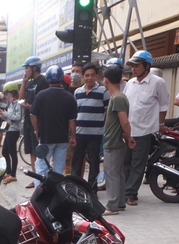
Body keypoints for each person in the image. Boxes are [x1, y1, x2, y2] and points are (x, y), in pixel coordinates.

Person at [123, 50, 170, 206]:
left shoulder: (157, 82)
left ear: (147, 66)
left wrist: (161, 124)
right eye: (132, 66)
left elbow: (163, 105)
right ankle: (123, 190)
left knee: (138, 163)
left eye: (136, 66)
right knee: (125, 162)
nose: (133, 69)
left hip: (144, 130)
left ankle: (131, 194)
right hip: (127, 130)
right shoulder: (130, 83)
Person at [30, 65, 78, 186]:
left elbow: (33, 115)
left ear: (48, 79)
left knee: (41, 167)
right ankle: (56, 193)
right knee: (58, 168)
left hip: (46, 138)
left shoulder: (41, 95)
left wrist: (37, 131)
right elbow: (72, 121)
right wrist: (73, 137)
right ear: (62, 79)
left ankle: (39, 193)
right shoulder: (69, 97)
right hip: (62, 139)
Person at [101, 66, 136, 215]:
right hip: (116, 141)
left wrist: (128, 137)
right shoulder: (119, 97)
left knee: (112, 173)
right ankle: (120, 203)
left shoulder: (117, 98)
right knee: (118, 172)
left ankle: (112, 205)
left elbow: (125, 122)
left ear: (106, 80)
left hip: (114, 142)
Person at [72, 63, 109, 191]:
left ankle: (92, 189)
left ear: (97, 76)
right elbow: (74, 113)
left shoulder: (103, 91)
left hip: (95, 134)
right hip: (79, 133)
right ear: (83, 77)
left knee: (94, 162)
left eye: (92, 75)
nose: (89, 78)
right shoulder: (77, 92)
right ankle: (75, 187)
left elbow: (107, 112)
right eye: (87, 75)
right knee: (76, 162)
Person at [19, 56, 49, 187]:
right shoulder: (30, 83)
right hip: (28, 119)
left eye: (27, 68)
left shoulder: (43, 82)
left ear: (34, 68)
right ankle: (35, 176)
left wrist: (30, 107)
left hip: (38, 120)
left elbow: (44, 104)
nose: (25, 71)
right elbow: (21, 99)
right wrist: (24, 82)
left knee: (38, 150)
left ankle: (42, 177)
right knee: (31, 150)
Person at [0, 82, 22, 184]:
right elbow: (8, 117)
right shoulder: (11, 104)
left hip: (14, 130)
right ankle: (8, 171)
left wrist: (6, 113)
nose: (6, 96)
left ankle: (13, 175)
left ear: (12, 93)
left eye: (7, 94)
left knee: (12, 152)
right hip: (9, 129)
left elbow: (17, 117)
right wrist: (1, 114)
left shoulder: (19, 104)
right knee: (4, 152)